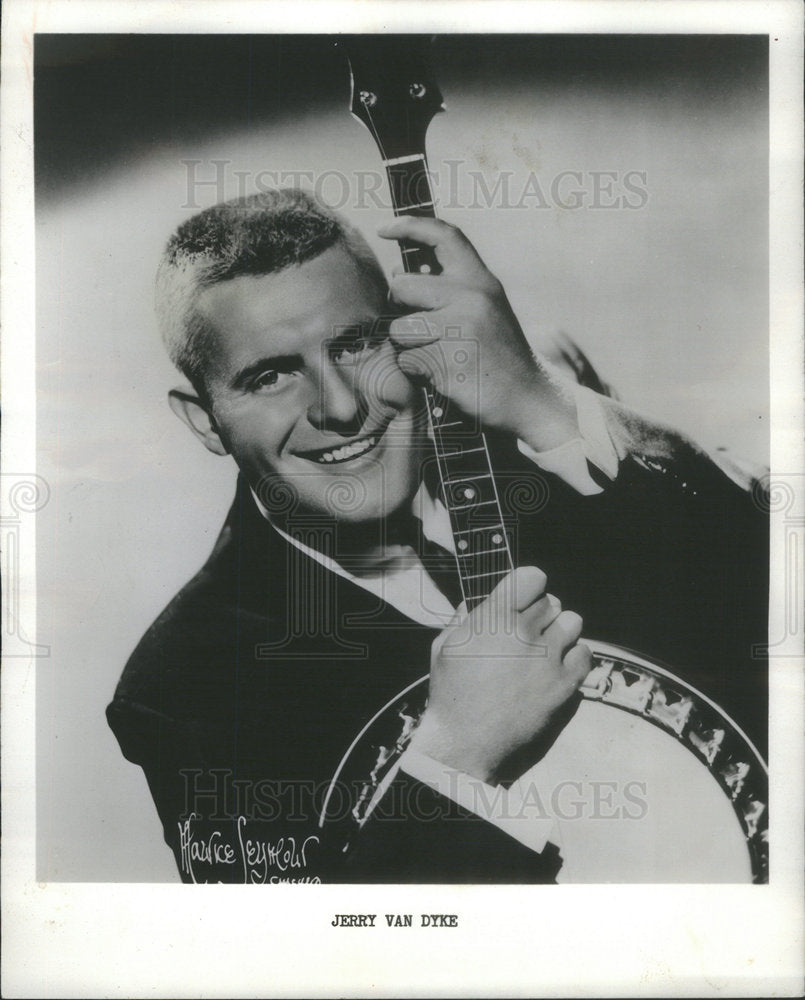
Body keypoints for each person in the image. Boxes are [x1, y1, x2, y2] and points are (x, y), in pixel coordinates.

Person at [107, 189, 768, 884]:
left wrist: (540, 400)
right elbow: (300, 965)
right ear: (205, 422)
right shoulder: (187, 688)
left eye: (356, 343)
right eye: (270, 376)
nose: (340, 406)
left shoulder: (555, 454)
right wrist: (454, 759)